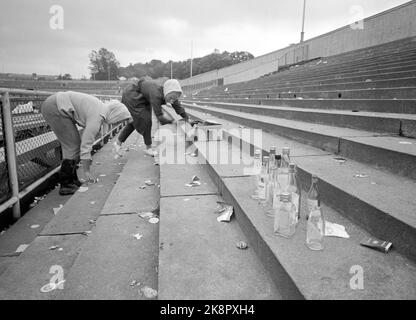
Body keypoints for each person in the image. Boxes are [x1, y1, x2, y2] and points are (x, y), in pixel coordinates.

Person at [40, 91, 132, 195]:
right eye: (119, 120)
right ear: (116, 114)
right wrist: (87, 172)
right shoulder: (98, 115)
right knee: (72, 146)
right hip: (55, 107)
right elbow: (86, 145)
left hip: (56, 104)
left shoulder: (101, 109)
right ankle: (66, 184)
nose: (118, 123)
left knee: (73, 145)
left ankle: (72, 180)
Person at [113, 78, 195, 156]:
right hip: (131, 95)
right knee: (145, 120)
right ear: (167, 92)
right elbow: (159, 115)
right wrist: (173, 122)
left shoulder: (170, 95)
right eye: (171, 98)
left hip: (140, 97)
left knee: (135, 121)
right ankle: (148, 148)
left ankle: (118, 142)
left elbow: (177, 106)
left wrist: (187, 119)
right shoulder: (156, 94)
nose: (172, 101)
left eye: (175, 98)